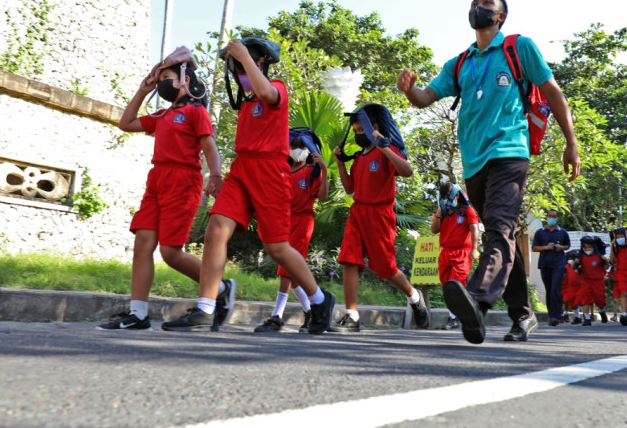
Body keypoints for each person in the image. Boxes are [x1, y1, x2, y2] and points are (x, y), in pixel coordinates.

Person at [398, 0, 580, 344]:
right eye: (473, 4)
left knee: (498, 227)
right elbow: (425, 99)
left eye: (485, 5)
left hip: (510, 151)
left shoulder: (518, 47)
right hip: (474, 162)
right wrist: (409, 91)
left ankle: (477, 302)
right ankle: (523, 316)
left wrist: (571, 143)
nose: (477, 8)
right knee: (504, 235)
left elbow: (554, 93)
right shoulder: (460, 63)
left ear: (500, 17)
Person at [161, 37, 335, 333]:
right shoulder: (246, 104)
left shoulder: (276, 88)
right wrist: (218, 176)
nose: (237, 72)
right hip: (242, 170)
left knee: (277, 247)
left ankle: (320, 300)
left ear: (261, 62)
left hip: (270, 172)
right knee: (216, 228)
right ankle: (205, 308)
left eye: (242, 65)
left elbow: (266, 91)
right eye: (234, 67)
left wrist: (242, 53)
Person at [98, 52, 223, 330]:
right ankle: (138, 314)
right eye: (160, 80)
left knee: (170, 253)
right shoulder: (163, 114)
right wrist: (143, 91)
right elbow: (126, 123)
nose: (161, 84)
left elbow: (210, 147)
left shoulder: (196, 111)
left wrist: (215, 174)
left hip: (183, 181)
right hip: (156, 180)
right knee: (142, 242)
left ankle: (219, 287)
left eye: (166, 78)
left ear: (184, 81)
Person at [330, 104, 430, 333]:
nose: (357, 134)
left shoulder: (386, 149)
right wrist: (340, 164)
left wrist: (384, 147)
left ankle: (414, 297)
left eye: (360, 130)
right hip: (358, 212)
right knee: (349, 259)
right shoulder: (358, 158)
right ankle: (352, 315)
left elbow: (407, 171)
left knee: (385, 267)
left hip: (380, 214)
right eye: (354, 131)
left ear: (373, 127)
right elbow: (349, 189)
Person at [254, 130, 329, 333]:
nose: (297, 150)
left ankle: (277, 316)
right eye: (294, 146)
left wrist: (325, 171)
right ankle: (311, 311)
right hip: (283, 221)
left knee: (286, 271)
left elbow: (322, 197)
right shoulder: (283, 171)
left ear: (310, 150)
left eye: (302, 147)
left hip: (302, 221)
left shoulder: (311, 172)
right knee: (293, 273)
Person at [431, 182, 480, 330]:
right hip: (445, 251)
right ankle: (456, 315)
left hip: (462, 252)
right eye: (444, 196)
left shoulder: (468, 211)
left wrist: (474, 249)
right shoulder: (443, 211)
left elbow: (474, 229)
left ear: (457, 195)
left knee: (457, 285)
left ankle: (456, 317)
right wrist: (440, 213)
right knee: (447, 286)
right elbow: (434, 230)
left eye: (449, 196)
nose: (446, 199)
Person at [531, 209, 570, 326]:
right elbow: (534, 248)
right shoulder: (540, 232)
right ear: (546, 217)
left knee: (555, 289)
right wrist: (546, 247)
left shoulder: (562, 232)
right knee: (549, 290)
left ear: (557, 218)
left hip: (559, 264)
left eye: (554, 216)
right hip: (545, 264)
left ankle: (556, 315)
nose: (552, 218)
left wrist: (561, 247)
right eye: (550, 216)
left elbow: (567, 246)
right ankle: (551, 315)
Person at [577, 238, 608, 327]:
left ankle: (602, 310)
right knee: (585, 299)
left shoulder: (600, 257)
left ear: (594, 247)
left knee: (600, 300)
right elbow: (574, 267)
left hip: (598, 281)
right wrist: (576, 263)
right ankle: (587, 318)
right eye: (585, 248)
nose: (587, 249)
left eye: (589, 247)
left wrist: (605, 261)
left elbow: (605, 267)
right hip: (585, 281)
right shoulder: (581, 257)